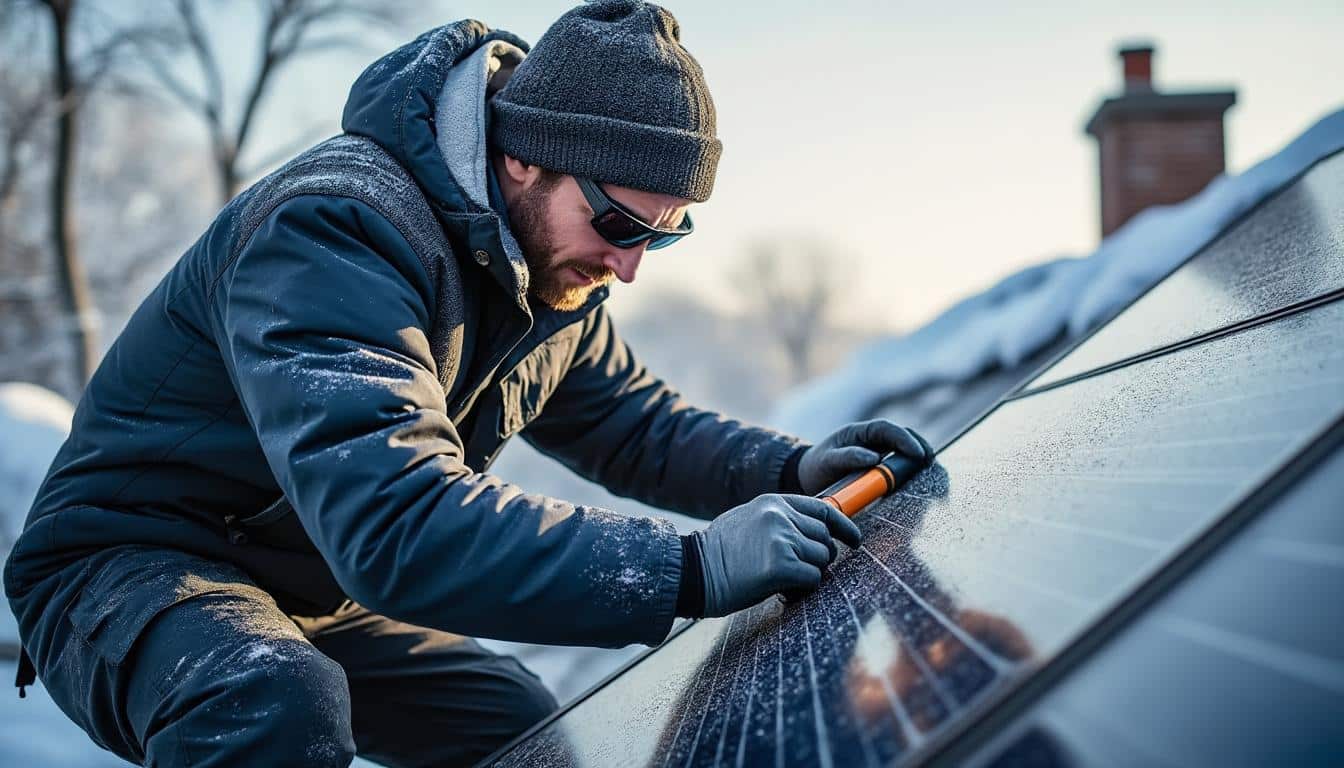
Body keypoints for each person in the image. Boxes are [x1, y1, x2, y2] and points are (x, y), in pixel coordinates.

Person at [4, 2, 926, 766]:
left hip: (305, 582)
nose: (632, 263)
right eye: (616, 221)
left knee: (521, 729)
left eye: (664, 232)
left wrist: (794, 468)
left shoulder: (547, 269)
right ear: (523, 154)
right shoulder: (335, 232)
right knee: (270, 699)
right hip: (131, 568)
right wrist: (689, 569)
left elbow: (632, 425)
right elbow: (396, 525)